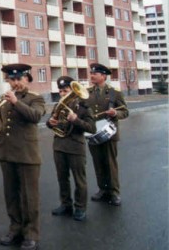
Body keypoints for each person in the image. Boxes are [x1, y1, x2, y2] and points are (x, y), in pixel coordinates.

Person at [0, 64, 45, 250]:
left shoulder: (36, 98)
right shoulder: (4, 99)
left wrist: (16, 101)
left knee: (29, 197)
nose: (15, 82)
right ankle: (15, 227)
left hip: (27, 155)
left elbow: (35, 116)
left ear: (27, 79)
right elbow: (0, 123)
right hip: (7, 153)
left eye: (19, 79)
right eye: (12, 79)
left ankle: (31, 233)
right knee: (11, 195)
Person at [46, 76, 95, 221]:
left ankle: (80, 207)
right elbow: (50, 124)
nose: (62, 94)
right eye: (60, 91)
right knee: (62, 178)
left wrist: (76, 120)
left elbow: (92, 128)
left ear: (72, 90)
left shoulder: (84, 106)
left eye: (65, 90)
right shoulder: (58, 105)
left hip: (75, 147)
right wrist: (51, 122)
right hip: (59, 146)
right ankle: (65, 204)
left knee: (79, 180)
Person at [85, 63, 129, 206]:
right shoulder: (86, 92)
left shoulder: (113, 92)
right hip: (93, 133)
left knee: (110, 164)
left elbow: (125, 111)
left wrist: (116, 113)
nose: (92, 76)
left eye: (95, 74)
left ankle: (114, 192)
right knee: (98, 163)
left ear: (103, 76)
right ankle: (102, 189)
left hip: (109, 133)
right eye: (91, 73)